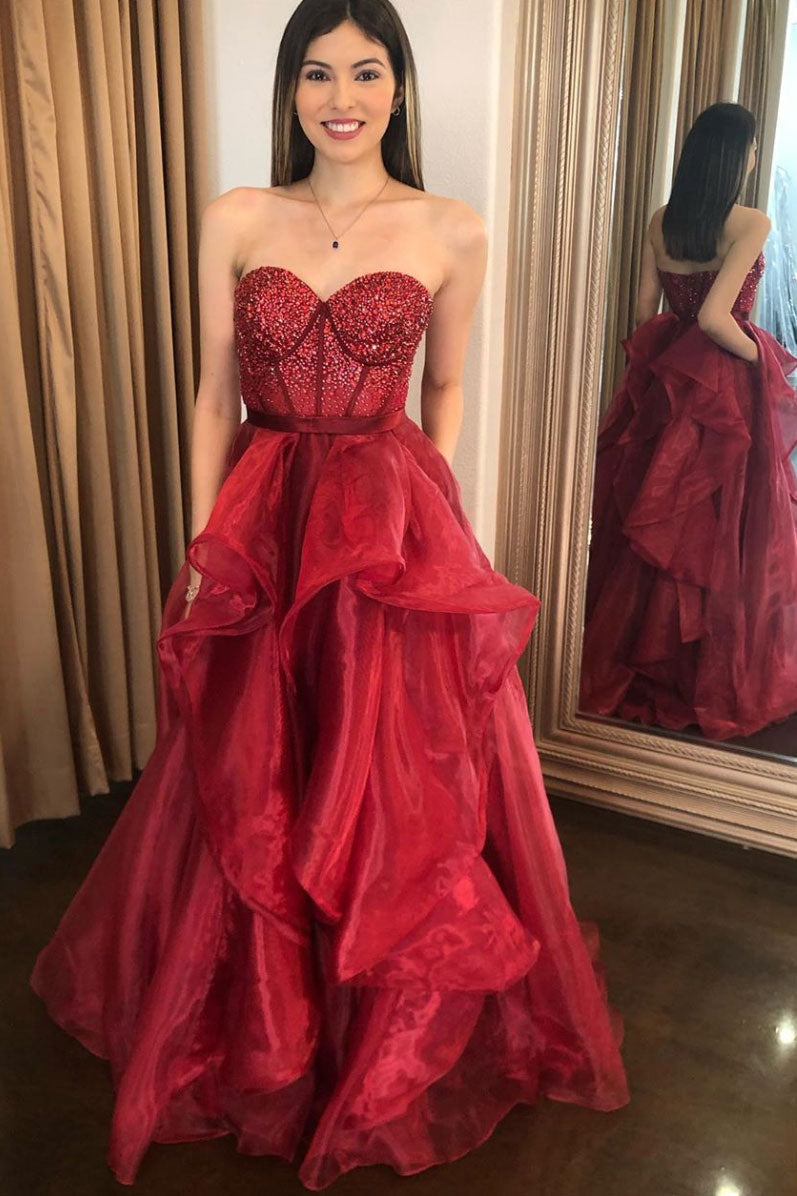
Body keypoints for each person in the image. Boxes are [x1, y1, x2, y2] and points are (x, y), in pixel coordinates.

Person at [30, 1, 629, 1188]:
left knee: (390, 771)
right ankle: (259, 1016)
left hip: (385, 523)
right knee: (256, 759)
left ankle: (374, 1027)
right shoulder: (236, 215)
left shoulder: (451, 226)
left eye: (363, 72)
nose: (339, 97)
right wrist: (203, 539)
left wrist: (427, 526)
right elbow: (212, 392)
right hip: (264, 514)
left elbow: (444, 387)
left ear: (398, 85)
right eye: (315, 73)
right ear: (290, 89)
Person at [580, 102, 797, 741]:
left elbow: (644, 312)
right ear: (737, 156)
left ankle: (647, 662)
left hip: (667, 381)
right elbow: (715, 319)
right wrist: (765, 358)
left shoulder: (661, 221)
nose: (754, 158)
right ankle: (709, 670)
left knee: (661, 520)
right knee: (724, 522)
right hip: (723, 380)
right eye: (751, 149)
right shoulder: (750, 222)